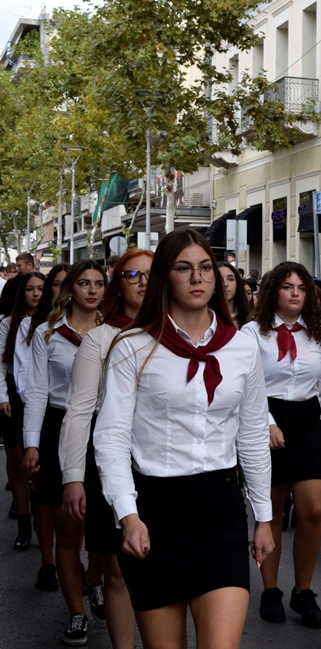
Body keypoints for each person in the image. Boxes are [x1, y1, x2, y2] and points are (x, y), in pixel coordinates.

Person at [93, 228, 274, 649]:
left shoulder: (242, 348)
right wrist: (128, 514)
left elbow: (251, 434)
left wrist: (263, 517)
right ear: (165, 277)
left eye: (206, 268)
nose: (197, 278)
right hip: (155, 512)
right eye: (184, 268)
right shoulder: (132, 347)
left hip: (220, 511)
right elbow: (112, 437)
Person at [58, 249, 152, 649]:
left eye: (152, 274)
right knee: (116, 566)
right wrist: (73, 478)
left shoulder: (174, 333)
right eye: (134, 275)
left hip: (159, 461)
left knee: (154, 566)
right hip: (108, 458)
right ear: (120, 284)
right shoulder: (99, 338)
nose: (144, 283)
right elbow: (79, 411)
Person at [241, 262, 321, 629]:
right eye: (287, 286)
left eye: (302, 287)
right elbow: (247, 386)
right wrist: (266, 423)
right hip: (266, 418)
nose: (296, 292)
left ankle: (303, 591)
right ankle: (271, 590)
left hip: (308, 422)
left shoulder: (320, 334)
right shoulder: (252, 333)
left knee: (313, 510)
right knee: (272, 512)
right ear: (272, 292)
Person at [22, 259, 107, 646]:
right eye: (84, 283)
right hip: (60, 427)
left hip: (104, 430)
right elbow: (38, 390)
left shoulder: (116, 332)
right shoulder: (47, 333)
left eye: (100, 283)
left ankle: (95, 579)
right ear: (70, 288)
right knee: (68, 527)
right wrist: (32, 442)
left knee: (106, 528)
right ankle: (76, 613)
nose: (92, 290)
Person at [19, 263, 67, 591]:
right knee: (47, 498)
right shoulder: (36, 328)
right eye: (59, 284)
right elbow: (30, 381)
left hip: (86, 421)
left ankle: (89, 570)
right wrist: (31, 438)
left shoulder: (104, 326)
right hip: (45, 414)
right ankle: (49, 560)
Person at [0, 272, 44, 552]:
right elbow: (1, 365)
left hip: (43, 401)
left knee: (41, 469)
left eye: (41, 288)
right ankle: (24, 525)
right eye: (30, 289)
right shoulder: (7, 324)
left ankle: (43, 525)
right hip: (14, 400)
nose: (36, 294)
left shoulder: (52, 321)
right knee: (18, 466)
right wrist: (3, 397)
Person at [219, 262, 252, 327]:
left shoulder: (249, 319)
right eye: (220, 279)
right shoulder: (208, 318)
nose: (225, 284)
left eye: (230, 279)